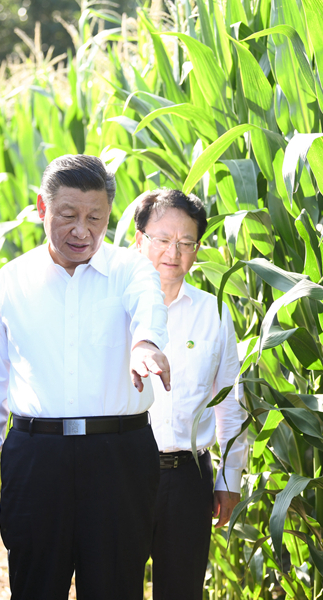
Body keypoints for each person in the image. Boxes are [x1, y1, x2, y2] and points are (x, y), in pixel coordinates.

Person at [0, 154, 171, 600]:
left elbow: (149, 307)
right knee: (35, 584)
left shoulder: (131, 269)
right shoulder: (13, 279)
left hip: (119, 457)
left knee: (117, 587)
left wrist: (145, 344)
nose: (82, 231)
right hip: (36, 458)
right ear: (42, 208)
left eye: (95, 218)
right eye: (68, 215)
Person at [133, 189, 249, 600]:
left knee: (182, 591)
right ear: (139, 240)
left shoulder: (213, 312)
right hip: (122, 471)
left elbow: (230, 401)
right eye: (163, 239)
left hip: (188, 476)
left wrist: (230, 477)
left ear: (197, 249)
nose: (173, 252)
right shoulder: (114, 308)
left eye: (186, 242)